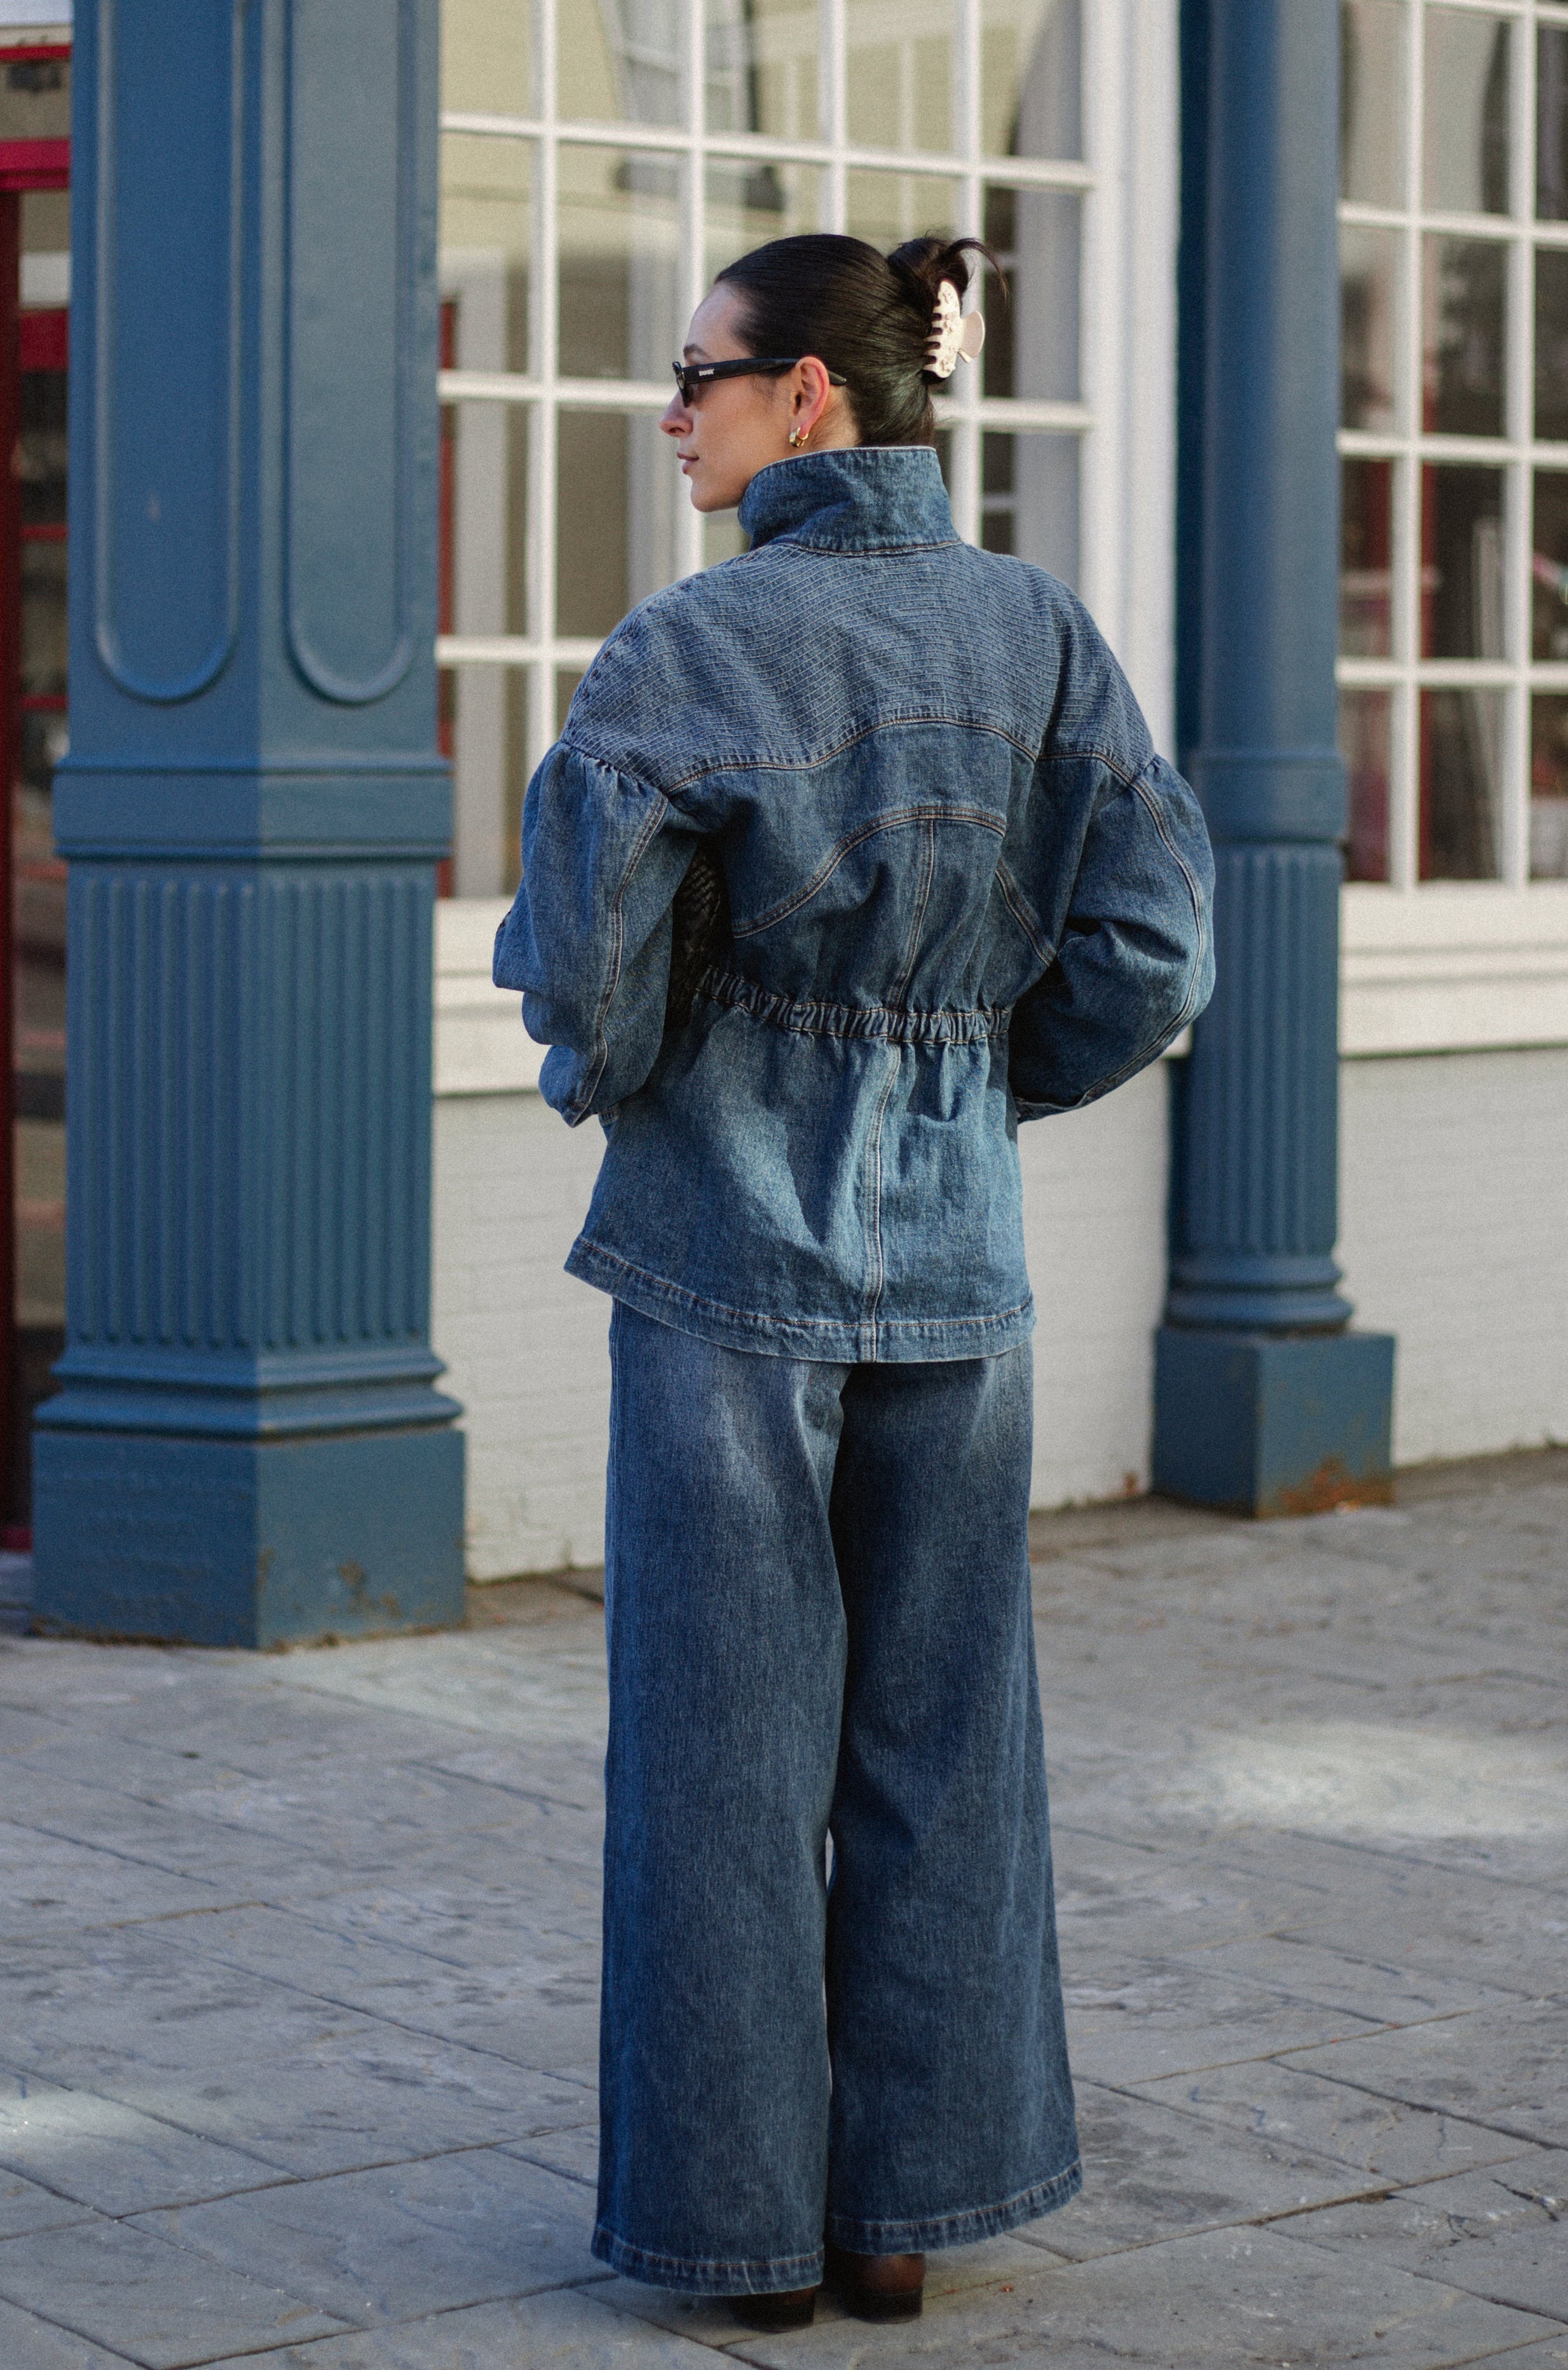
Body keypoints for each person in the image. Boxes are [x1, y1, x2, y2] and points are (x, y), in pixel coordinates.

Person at [493, 231, 1214, 2332]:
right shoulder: (1047, 632)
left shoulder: (683, 649)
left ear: (811, 396)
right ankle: (900, 2212)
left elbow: (588, 971)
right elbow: (1156, 947)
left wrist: (632, 1077)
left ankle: (737, 2240)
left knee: (723, 1746)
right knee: (942, 1727)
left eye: (700, 374)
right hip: (955, 1259)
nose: (672, 411)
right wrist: (976, 1084)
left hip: (724, 1253)